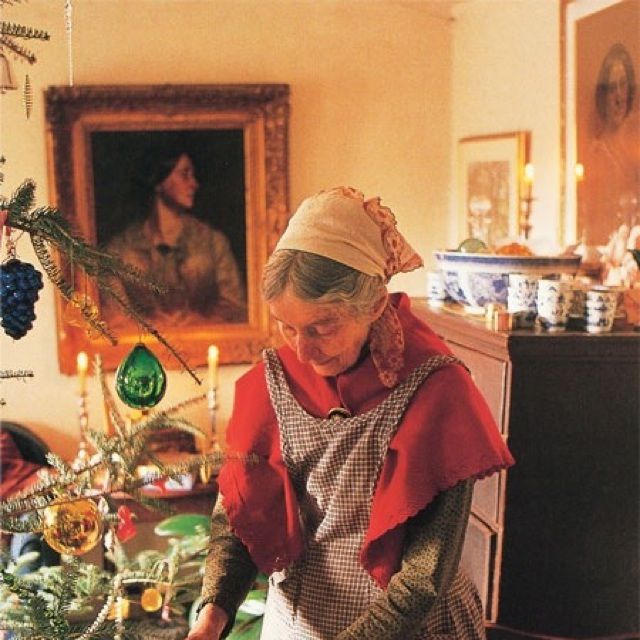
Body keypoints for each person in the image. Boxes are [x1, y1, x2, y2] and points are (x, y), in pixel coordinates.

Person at [186, 187, 514, 639]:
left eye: (321, 328)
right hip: (299, 623)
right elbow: (240, 517)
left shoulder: (437, 390)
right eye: (287, 326)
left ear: (375, 304)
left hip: (412, 628)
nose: (302, 350)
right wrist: (213, 615)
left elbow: (422, 580)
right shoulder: (272, 383)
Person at [106, 148, 247, 325]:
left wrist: (202, 322)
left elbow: (235, 306)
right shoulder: (121, 248)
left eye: (193, 175)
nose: (194, 184)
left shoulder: (212, 242)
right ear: (158, 182)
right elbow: (113, 315)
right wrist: (149, 324)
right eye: (184, 174)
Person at [582, 43, 639, 245]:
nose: (618, 97)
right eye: (611, 88)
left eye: (623, 85)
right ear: (603, 96)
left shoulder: (633, 148)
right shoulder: (597, 151)